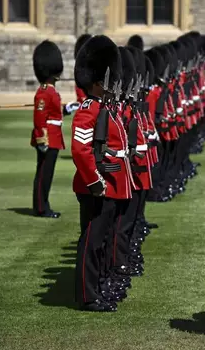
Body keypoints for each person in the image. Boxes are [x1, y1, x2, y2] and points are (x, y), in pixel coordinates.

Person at [71, 35, 132, 312]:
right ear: (98, 82)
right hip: (96, 186)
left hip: (111, 181)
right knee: (91, 242)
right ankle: (88, 295)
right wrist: (95, 181)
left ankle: (101, 286)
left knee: (103, 240)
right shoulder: (89, 109)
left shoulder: (106, 108)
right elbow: (80, 149)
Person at [30, 40, 66, 218]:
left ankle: (43, 204)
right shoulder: (44, 91)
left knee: (47, 174)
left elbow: (54, 114)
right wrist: (41, 139)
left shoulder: (50, 90)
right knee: (44, 174)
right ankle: (41, 207)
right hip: (47, 138)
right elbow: (39, 118)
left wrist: (67, 110)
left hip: (54, 136)